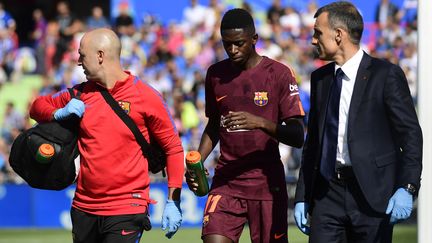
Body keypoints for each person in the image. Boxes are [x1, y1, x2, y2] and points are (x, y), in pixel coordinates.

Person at [29, 28, 184, 243]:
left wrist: (173, 201)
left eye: (82, 55)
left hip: (127, 207)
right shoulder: (79, 93)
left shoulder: (147, 97)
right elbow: (36, 107)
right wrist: (57, 112)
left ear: (100, 55)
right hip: (83, 208)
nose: (79, 62)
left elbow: (173, 148)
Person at [293, 2, 422, 243]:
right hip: (327, 195)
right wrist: (302, 195)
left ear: (339, 35)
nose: (313, 40)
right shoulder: (319, 79)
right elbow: (313, 144)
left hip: (373, 195)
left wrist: (407, 186)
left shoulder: (386, 75)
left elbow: (411, 135)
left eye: (317, 33)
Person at [186, 8, 305, 243]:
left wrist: (259, 122)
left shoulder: (279, 74)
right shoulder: (215, 74)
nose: (232, 50)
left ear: (254, 39)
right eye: (226, 44)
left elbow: (297, 134)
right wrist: (197, 160)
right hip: (226, 180)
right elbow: (214, 125)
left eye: (238, 43)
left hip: (266, 183)